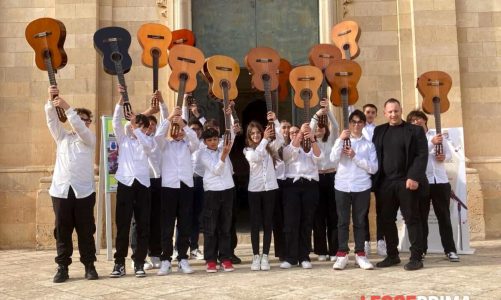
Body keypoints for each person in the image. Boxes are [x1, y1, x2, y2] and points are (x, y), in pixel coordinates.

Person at [45, 85, 98, 283]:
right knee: (62, 231)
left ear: (89, 123)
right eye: (78, 119)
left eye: (84, 120)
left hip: (83, 192)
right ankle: (62, 267)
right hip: (61, 191)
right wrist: (51, 101)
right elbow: (51, 120)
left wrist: (67, 107)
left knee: (86, 230)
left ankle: (89, 265)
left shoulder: (89, 138)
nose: (80, 123)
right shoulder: (62, 137)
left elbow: (80, 128)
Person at [372, 98, 428, 271]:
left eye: (396, 111)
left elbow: (421, 155)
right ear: (385, 113)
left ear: (401, 110)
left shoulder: (415, 130)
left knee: (412, 219)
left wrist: (414, 177)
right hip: (385, 184)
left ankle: (416, 257)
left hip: (407, 182)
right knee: (386, 220)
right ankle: (392, 255)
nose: (393, 114)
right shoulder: (379, 131)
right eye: (390, 111)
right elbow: (373, 156)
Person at [110, 85, 154, 278]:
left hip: (142, 185)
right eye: (137, 125)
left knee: (142, 225)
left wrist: (137, 128)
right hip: (125, 184)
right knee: (123, 225)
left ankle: (139, 262)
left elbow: (147, 146)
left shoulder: (148, 141)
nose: (138, 128)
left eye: (143, 126)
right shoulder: (124, 140)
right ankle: (119, 263)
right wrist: (120, 102)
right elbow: (115, 124)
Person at [406, 110, 460, 262]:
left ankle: (450, 250)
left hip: (441, 181)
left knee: (444, 217)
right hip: (423, 181)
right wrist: (431, 144)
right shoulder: (412, 139)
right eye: (413, 120)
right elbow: (416, 154)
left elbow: (448, 154)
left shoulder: (436, 135)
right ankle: (422, 250)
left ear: (424, 120)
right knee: (421, 218)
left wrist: (444, 156)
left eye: (419, 119)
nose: (417, 122)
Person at [155, 106, 200, 275]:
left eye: (181, 129)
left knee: (184, 224)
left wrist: (184, 125)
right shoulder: (164, 145)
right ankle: (165, 259)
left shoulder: (189, 146)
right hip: (169, 187)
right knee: (167, 225)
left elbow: (195, 140)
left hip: (185, 187)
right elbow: (158, 135)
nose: (179, 132)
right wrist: (170, 118)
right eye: (177, 128)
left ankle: (182, 258)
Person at [330, 110, 378, 270]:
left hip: (362, 186)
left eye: (360, 122)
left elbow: (373, 168)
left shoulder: (368, 144)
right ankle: (342, 254)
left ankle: (360, 255)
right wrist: (339, 140)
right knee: (342, 221)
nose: (356, 125)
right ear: (349, 124)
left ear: (364, 124)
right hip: (342, 185)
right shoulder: (342, 140)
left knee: (360, 222)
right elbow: (333, 159)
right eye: (353, 122)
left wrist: (355, 156)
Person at [129, 90, 167, 271]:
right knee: (138, 221)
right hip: (141, 182)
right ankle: (137, 256)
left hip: (156, 182)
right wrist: (149, 112)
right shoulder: (134, 139)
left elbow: (166, 120)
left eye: (153, 125)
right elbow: (132, 125)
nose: (150, 128)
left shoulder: (158, 140)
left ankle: (155, 253)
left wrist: (162, 104)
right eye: (147, 125)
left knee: (156, 219)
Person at [244, 112, 283, 271]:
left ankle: (265, 255)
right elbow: (256, 158)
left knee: (268, 223)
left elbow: (280, 138)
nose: (255, 135)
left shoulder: (270, 147)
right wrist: (265, 139)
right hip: (255, 190)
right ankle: (255, 256)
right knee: (255, 224)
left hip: (270, 189)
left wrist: (275, 120)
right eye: (252, 133)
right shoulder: (247, 150)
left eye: (258, 132)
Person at [281, 122, 323, 269]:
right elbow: (287, 157)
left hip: (310, 184)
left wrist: (312, 139)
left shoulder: (311, 146)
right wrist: (298, 137)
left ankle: (304, 256)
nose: (294, 134)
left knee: (307, 221)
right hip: (292, 185)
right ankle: (291, 257)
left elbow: (319, 157)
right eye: (292, 133)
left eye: (297, 131)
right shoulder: (287, 148)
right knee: (291, 222)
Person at [199, 109, 236, 272]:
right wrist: (223, 155)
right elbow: (216, 170)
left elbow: (232, 133)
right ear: (205, 142)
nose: (214, 142)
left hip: (227, 189)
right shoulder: (203, 154)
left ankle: (225, 258)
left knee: (225, 226)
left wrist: (229, 114)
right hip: (212, 191)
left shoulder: (223, 145)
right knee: (211, 227)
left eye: (215, 139)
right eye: (210, 140)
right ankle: (211, 259)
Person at [310, 99, 340, 262]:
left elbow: (335, 126)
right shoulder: (311, 141)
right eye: (318, 127)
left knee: (333, 215)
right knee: (318, 215)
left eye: (322, 126)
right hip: (317, 178)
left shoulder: (331, 139)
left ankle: (335, 250)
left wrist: (328, 111)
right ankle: (321, 250)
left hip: (332, 177)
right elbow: (310, 128)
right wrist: (316, 115)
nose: (320, 129)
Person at [361, 103, 385, 257]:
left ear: (376, 114)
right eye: (367, 112)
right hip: (362, 172)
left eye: (372, 112)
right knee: (362, 209)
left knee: (381, 208)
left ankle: (381, 241)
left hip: (378, 172)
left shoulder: (380, 130)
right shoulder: (357, 130)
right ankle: (365, 242)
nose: (370, 114)